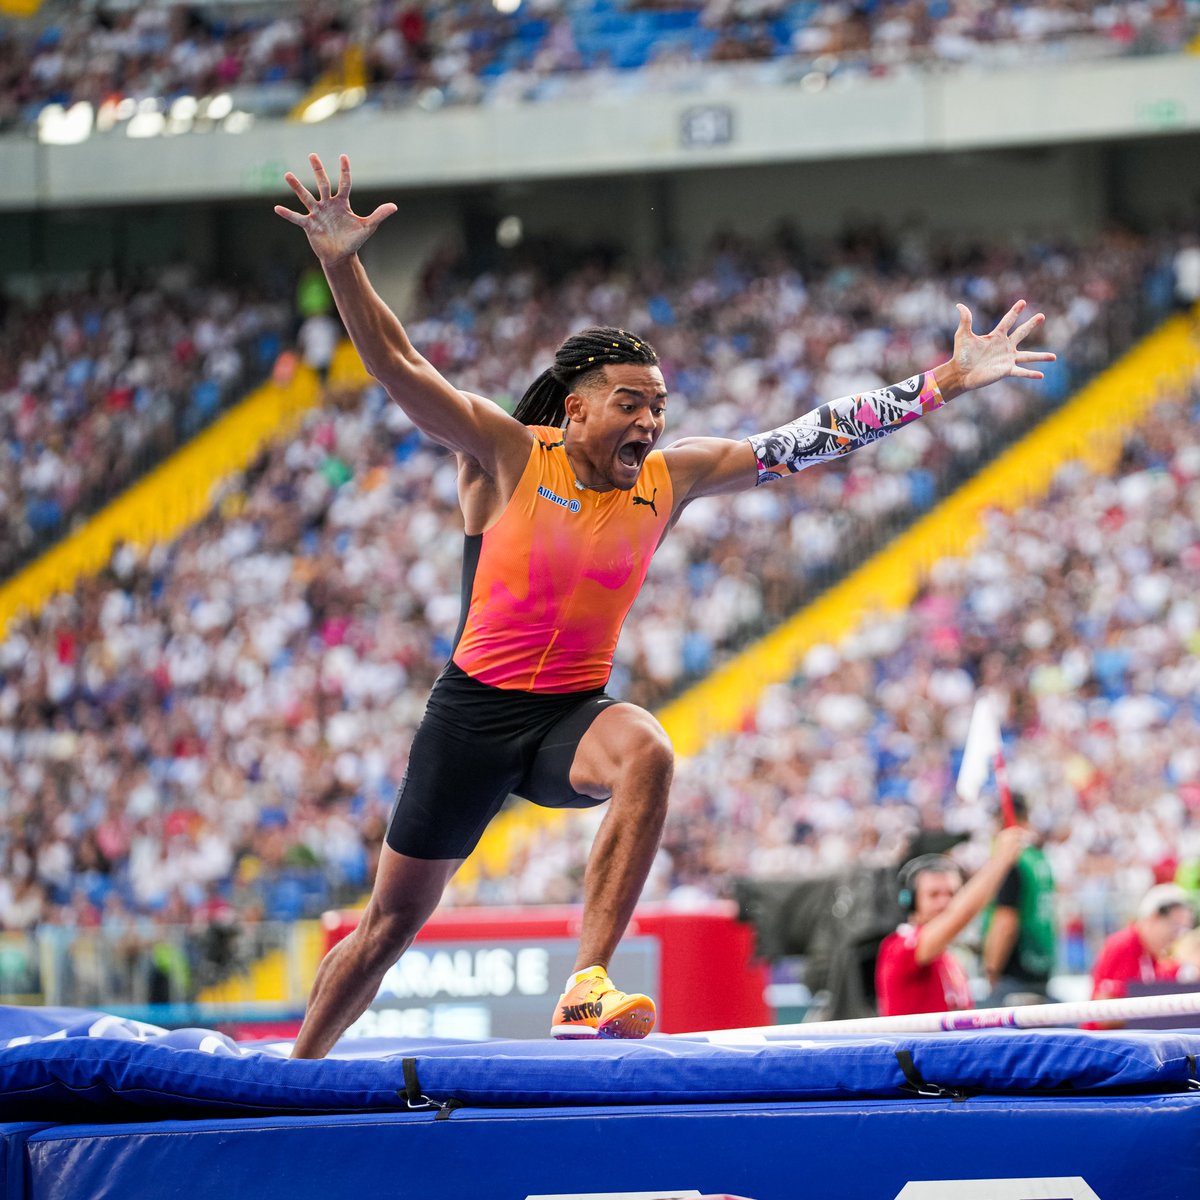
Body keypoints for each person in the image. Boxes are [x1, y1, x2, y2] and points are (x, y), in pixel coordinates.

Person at [275, 153, 1054, 1057]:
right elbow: (398, 363)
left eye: (659, 407)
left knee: (647, 745)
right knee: (387, 929)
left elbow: (807, 440)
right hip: (472, 718)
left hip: (569, 713)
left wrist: (944, 384)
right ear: (574, 410)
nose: (649, 423)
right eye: (629, 405)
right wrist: (341, 263)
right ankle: (296, 1074)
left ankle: (586, 987)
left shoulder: (670, 480)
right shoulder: (505, 453)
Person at [875, 826, 1033, 1017]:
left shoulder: (950, 959)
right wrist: (1001, 860)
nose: (945, 902)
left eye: (952, 894)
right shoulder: (898, 948)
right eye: (934, 895)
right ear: (911, 902)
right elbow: (961, 914)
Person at [980, 793, 1057, 1006]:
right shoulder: (1039, 859)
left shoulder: (1012, 862)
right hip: (1039, 965)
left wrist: (991, 968)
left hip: (1013, 970)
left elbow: (1006, 920)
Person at [1090, 883, 1195, 1003]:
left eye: (1182, 930)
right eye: (1175, 927)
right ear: (1154, 917)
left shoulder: (1150, 953)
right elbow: (1106, 1009)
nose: (1176, 937)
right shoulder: (1124, 945)